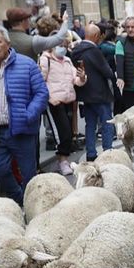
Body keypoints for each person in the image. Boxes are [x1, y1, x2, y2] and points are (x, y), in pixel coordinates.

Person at [0, 25, 49, 203]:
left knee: (28, 174)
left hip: (22, 131)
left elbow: (42, 93)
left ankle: (31, 209)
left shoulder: (27, 64)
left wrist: (27, 115)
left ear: (7, 43)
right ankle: (20, 199)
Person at [69, 23, 116, 161]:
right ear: (96, 36)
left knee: (90, 125)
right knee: (107, 124)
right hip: (100, 94)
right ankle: (108, 152)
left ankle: (90, 153)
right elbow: (107, 72)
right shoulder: (94, 51)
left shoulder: (76, 50)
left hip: (84, 94)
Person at [38, 29, 81, 176]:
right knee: (63, 134)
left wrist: (82, 78)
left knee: (69, 132)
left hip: (68, 99)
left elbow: (76, 80)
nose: (63, 46)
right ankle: (62, 161)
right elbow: (40, 82)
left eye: (65, 43)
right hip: (54, 102)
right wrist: (50, 98)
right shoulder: (46, 60)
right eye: (60, 43)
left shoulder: (68, 61)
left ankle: (64, 160)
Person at [5, 7, 70, 61]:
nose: (29, 21)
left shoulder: (3, 39)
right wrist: (65, 21)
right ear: (23, 21)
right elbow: (58, 39)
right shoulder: (32, 41)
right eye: (27, 19)